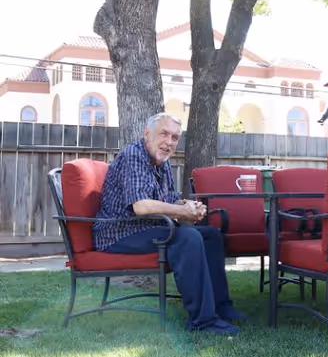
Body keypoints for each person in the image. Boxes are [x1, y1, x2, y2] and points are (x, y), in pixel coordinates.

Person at [92, 112, 245, 335]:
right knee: (187, 237)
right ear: (147, 134)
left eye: (174, 137)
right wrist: (181, 211)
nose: (169, 142)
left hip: (145, 228)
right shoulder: (134, 155)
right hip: (118, 232)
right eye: (164, 134)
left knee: (210, 235)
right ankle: (203, 321)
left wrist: (190, 206)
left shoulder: (161, 161)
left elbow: (169, 199)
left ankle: (221, 308)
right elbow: (141, 206)